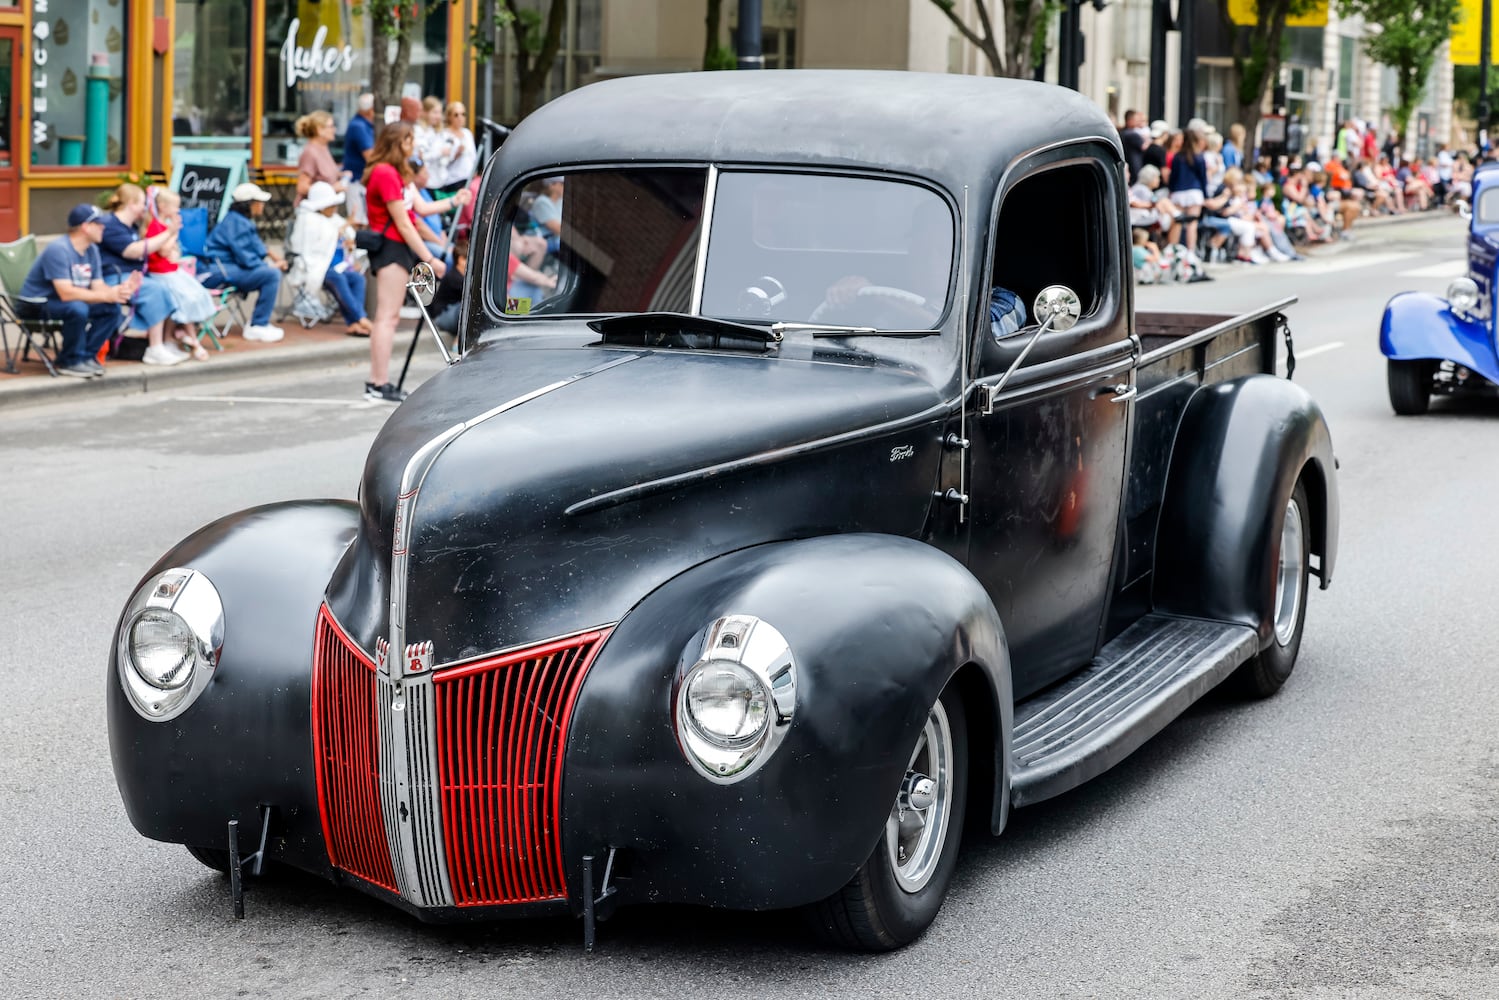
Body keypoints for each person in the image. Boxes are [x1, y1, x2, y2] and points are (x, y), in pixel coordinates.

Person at [363, 121, 447, 402]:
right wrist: (430, 258)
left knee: (389, 317)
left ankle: (379, 381)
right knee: (387, 317)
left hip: (396, 247)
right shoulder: (385, 173)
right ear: (397, 143)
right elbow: (404, 223)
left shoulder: (393, 174)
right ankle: (378, 382)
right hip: (391, 248)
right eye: (409, 140)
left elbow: (414, 218)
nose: (412, 146)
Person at [16, 203, 133, 377]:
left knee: (111, 308)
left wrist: (115, 292)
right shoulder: (59, 249)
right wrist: (104, 295)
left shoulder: (91, 250)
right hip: (37, 304)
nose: (103, 227)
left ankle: (86, 357)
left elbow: (98, 285)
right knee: (77, 308)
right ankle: (69, 360)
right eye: (98, 224)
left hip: (66, 301)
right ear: (85, 227)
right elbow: (66, 292)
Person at [96, 183, 187, 366]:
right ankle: (155, 347)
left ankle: (166, 340)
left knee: (169, 285)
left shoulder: (130, 226)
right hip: (114, 277)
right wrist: (169, 232)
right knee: (154, 289)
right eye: (142, 203)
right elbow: (133, 251)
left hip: (132, 275)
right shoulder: (111, 225)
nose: (145, 208)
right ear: (131, 203)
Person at [200, 182, 289, 342]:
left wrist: (271, 258)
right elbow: (247, 258)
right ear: (250, 204)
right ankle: (258, 324)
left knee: (269, 272)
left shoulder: (238, 220)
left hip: (221, 269)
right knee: (271, 275)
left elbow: (255, 248)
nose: (262, 205)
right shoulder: (237, 223)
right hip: (218, 272)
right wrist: (269, 265)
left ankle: (259, 323)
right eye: (259, 202)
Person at [288, 181, 373, 336]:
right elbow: (311, 247)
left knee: (357, 279)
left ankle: (353, 323)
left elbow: (347, 236)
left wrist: (349, 242)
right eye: (331, 205)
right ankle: (361, 318)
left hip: (339, 266)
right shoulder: (307, 219)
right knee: (338, 279)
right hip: (318, 267)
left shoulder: (334, 218)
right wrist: (341, 230)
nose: (334, 208)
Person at [145, 188, 215, 360]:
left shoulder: (165, 225)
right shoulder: (155, 226)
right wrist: (173, 232)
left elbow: (173, 253)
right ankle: (189, 338)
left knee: (195, 295)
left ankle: (177, 336)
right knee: (184, 299)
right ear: (162, 206)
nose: (178, 210)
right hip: (160, 273)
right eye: (175, 206)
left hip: (172, 271)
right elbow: (163, 251)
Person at [1167, 127, 1208, 251]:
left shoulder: (1178, 157)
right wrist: (1205, 195)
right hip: (1194, 192)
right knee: (1192, 224)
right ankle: (1190, 252)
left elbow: (1173, 176)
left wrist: (1171, 190)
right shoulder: (1199, 157)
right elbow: (1203, 178)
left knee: (1177, 222)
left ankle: (1172, 251)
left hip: (1178, 191)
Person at [294, 110, 345, 203]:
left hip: (326, 209)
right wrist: (332, 189)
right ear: (319, 130)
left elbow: (323, 175)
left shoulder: (323, 148)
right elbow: (302, 187)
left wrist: (341, 175)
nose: (334, 130)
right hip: (313, 211)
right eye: (331, 126)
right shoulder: (310, 152)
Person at [342, 94, 378, 227]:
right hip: (356, 180)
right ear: (370, 110)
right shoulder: (359, 126)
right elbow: (370, 156)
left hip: (362, 181)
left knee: (363, 220)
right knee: (357, 221)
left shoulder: (365, 125)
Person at [432, 102, 478, 195]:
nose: (460, 117)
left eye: (463, 114)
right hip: (453, 181)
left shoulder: (467, 133)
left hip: (470, 179)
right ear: (449, 117)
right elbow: (440, 162)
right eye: (456, 115)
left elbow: (473, 156)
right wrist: (456, 154)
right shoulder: (443, 135)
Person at [530, 176, 564, 254]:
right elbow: (557, 229)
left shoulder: (560, 201)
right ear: (551, 185)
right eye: (562, 184)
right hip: (546, 241)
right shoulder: (541, 202)